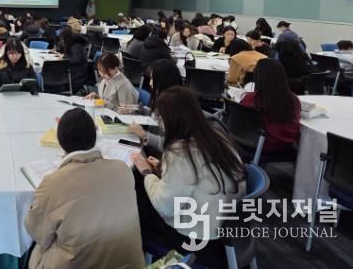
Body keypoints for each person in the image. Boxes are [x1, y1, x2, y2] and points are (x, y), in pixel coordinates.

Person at [131, 87, 246, 268]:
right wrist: (162, 169)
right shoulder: (217, 137)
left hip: (196, 241)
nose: (159, 123)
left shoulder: (180, 152)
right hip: (225, 231)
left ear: (171, 120)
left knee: (136, 194)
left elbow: (164, 206)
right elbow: (199, 175)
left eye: (160, 118)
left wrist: (147, 172)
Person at [25, 108, 145, 269]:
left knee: (35, 252)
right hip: (130, 263)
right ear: (95, 136)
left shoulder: (53, 184)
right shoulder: (122, 168)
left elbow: (38, 234)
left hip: (78, 264)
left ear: (60, 141)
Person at [240, 59, 301, 152]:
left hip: (255, 143)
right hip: (283, 146)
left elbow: (242, 122)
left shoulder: (251, 98)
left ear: (258, 77)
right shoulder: (293, 99)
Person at [127, 59, 183, 153]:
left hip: (160, 155)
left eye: (152, 79)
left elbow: (171, 146)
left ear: (163, 80)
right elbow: (155, 115)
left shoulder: (175, 108)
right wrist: (139, 109)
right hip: (151, 148)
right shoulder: (163, 98)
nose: (150, 83)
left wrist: (144, 135)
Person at [58, 28, 90, 92]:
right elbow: (70, 55)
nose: (62, 41)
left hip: (77, 74)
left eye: (63, 39)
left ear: (67, 39)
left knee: (57, 69)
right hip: (76, 71)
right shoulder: (73, 44)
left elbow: (76, 60)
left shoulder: (75, 47)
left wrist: (64, 57)